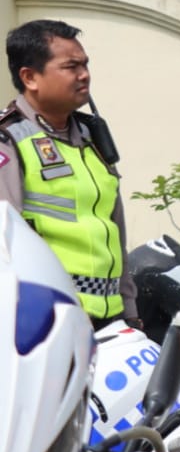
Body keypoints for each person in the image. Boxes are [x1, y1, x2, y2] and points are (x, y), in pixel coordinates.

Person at [0, 19, 136, 328]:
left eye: (85, 65)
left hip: (110, 318)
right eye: (71, 67)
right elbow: (5, 247)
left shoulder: (91, 134)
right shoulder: (9, 139)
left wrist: (130, 310)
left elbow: (115, 229)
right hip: (48, 320)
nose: (84, 75)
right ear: (30, 77)